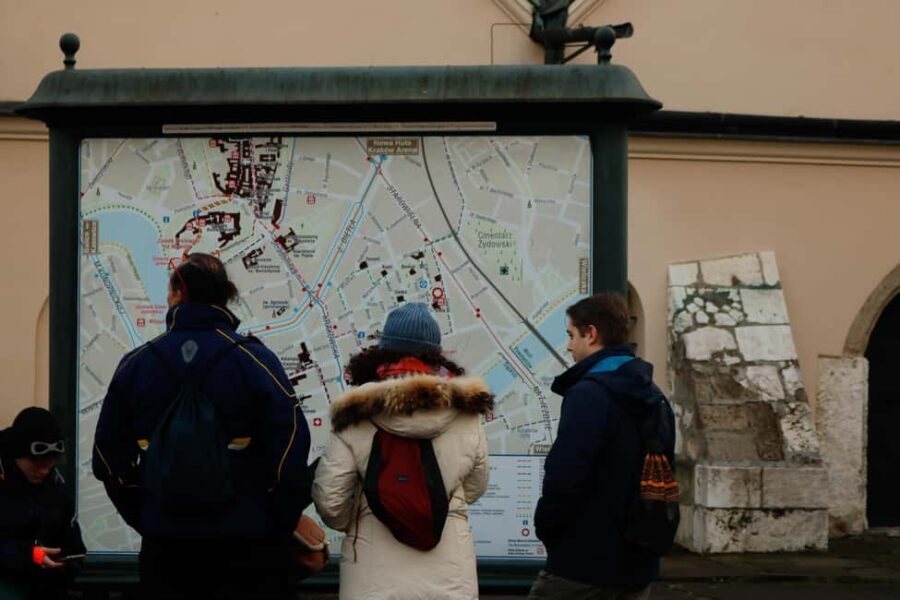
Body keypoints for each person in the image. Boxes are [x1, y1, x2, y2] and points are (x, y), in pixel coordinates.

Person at [92, 252, 312, 600]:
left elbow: (107, 461)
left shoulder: (137, 364)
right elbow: (291, 452)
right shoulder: (256, 361)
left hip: (165, 551)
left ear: (178, 291)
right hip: (246, 550)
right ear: (225, 295)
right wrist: (269, 521)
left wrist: (146, 514)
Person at [313, 302, 493, 600]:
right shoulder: (465, 413)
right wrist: (436, 504)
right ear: (435, 354)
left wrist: (366, 516)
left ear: (384, 350)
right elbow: (477, 484)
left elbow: (330, 501)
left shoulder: (354, 414)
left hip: (372, 578)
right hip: (450, 576)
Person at [529, 293, 676, 600]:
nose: (568, 345)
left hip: (580, 565)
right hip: (637, 565)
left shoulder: (589, 395)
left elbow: (565, 476)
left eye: (571, 335)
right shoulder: (654, 396)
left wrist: (547, 527)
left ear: (591, 334)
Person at [0, 407, 86, 600]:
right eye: (37, 463)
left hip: (47, 585)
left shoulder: (57, 489)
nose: (44, 471)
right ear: (17, 455)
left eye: (50, 463)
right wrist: (28, 555)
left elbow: (75, 547)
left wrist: (68, 562)